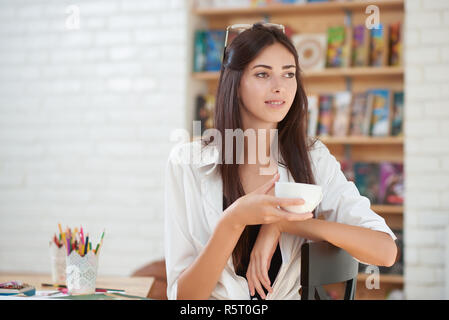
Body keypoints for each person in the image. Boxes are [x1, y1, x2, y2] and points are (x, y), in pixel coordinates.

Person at [164, 23, 397, 300]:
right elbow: (185, 298)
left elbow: (385, 251)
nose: (280, 87)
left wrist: (284, 224)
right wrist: (233, 221)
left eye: (289, 74)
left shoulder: (313, 158)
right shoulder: (186, 163)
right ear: (234, 84)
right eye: (263, 74)